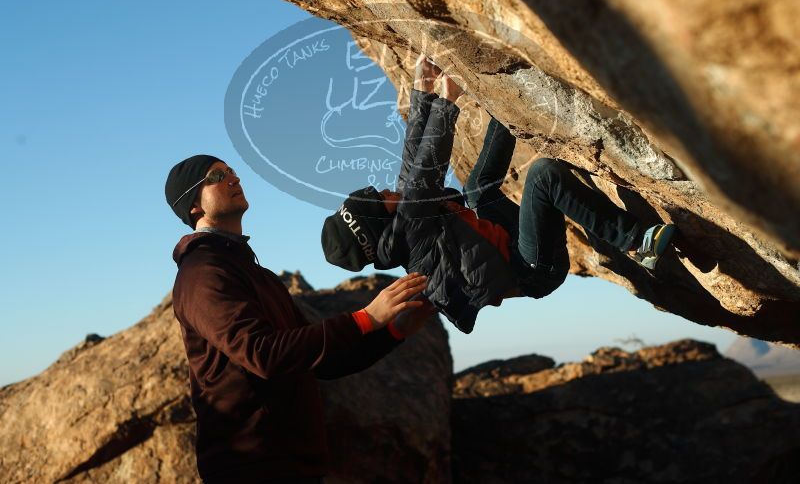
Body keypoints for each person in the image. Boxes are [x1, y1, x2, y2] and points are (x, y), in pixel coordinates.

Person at [320, 55, 675, 334]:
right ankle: (634, 243)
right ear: (377, 223)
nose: (382, 189)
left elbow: (412, 161)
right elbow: (423, 176)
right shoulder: (411, 232)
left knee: (477, 190)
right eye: (377, 197)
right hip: (533, 268)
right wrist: (447, 101)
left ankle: (507, 107)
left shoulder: (401, 226)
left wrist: (422, 91)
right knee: (543, 176)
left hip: (505, 239)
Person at [164, 155, 433, 484]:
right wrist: (366, 317)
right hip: (251, 469)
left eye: (232, 171)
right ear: (193, 205)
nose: (233, 178)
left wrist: (395, 329)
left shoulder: (255, 274)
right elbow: (262, 354)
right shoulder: (202, 273)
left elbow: (321, 361)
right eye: (217, 176)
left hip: (294, 466)